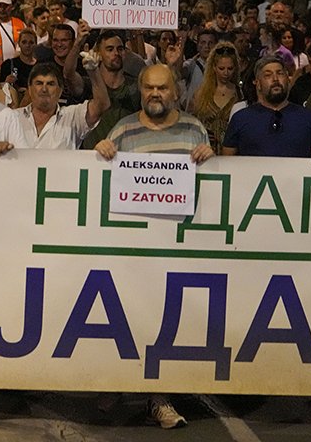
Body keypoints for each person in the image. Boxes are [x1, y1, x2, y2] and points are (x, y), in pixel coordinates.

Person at [94, 63, 212, 430]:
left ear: (175, 92)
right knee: (130, 319)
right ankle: (125, 383)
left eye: (162, 88)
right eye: (148, 88)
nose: (155, 94)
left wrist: (212, 158)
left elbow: (211, 189)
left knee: (166, 325)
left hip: (179, 247)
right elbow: (99, 177)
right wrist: (101, 149)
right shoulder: (124, 128)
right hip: (133, 248)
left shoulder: (194, 129)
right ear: (140, 91)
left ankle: (158, 398)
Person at [222, 55, 311, 160]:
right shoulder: (240, 118)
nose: (275, 79)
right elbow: (226, 163)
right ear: (258, 84)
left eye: (280, 73)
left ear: (288, 79)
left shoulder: (308, 117)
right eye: (268, 75)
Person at [20, 60, 109, 149]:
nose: (44, 89)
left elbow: (101, 104)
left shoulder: (72, 117)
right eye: (39, 83)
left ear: (60, 90)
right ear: (30, 89)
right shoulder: (11, 117)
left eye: (50, 84)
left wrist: (93, 71)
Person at [188, 43, 242, 149]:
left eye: (230, 68)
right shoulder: (201, 94)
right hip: (205, 149)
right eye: (221, 68)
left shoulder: (240, 94)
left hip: (232, 152)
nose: (226, 73)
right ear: (213, 67)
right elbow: (191, 123)